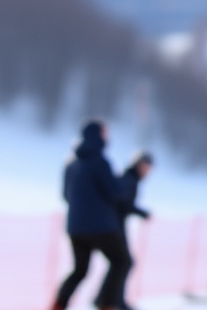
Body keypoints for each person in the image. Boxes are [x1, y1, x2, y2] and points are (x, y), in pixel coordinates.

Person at [52, 120, 130, 310]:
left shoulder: (71, 163)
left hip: (75, 227)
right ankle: (107, 305)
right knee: (121, 261)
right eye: (106, 133)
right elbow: (114, 192)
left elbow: (65, 195)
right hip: (101, 226)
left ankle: (57, 305)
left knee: (80, 270)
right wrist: (123, 184)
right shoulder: (100, 162)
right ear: (100, 135)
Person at [116, 151, 153, 310]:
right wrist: (141, 212)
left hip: (116, 224)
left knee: (120, 262)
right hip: (114, 225)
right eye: (147, 166)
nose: (148, 171)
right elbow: (123, 203)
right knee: (124, 262)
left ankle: (106, 298)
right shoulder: (129, 179)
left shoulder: (131, 178)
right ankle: (116, 300)